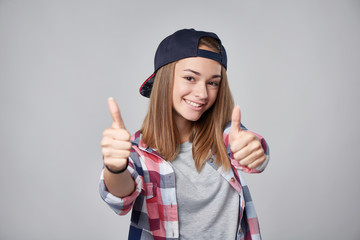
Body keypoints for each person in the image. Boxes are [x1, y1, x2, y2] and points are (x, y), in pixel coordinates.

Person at [99, 28, 270, 240]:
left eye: (213, 82)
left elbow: (250, 151)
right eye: (190, 77)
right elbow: (119, 199)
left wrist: (254, 150)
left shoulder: (225, 134)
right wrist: (115, 168)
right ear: (165, 80)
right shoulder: (138, 152)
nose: (202, 93)